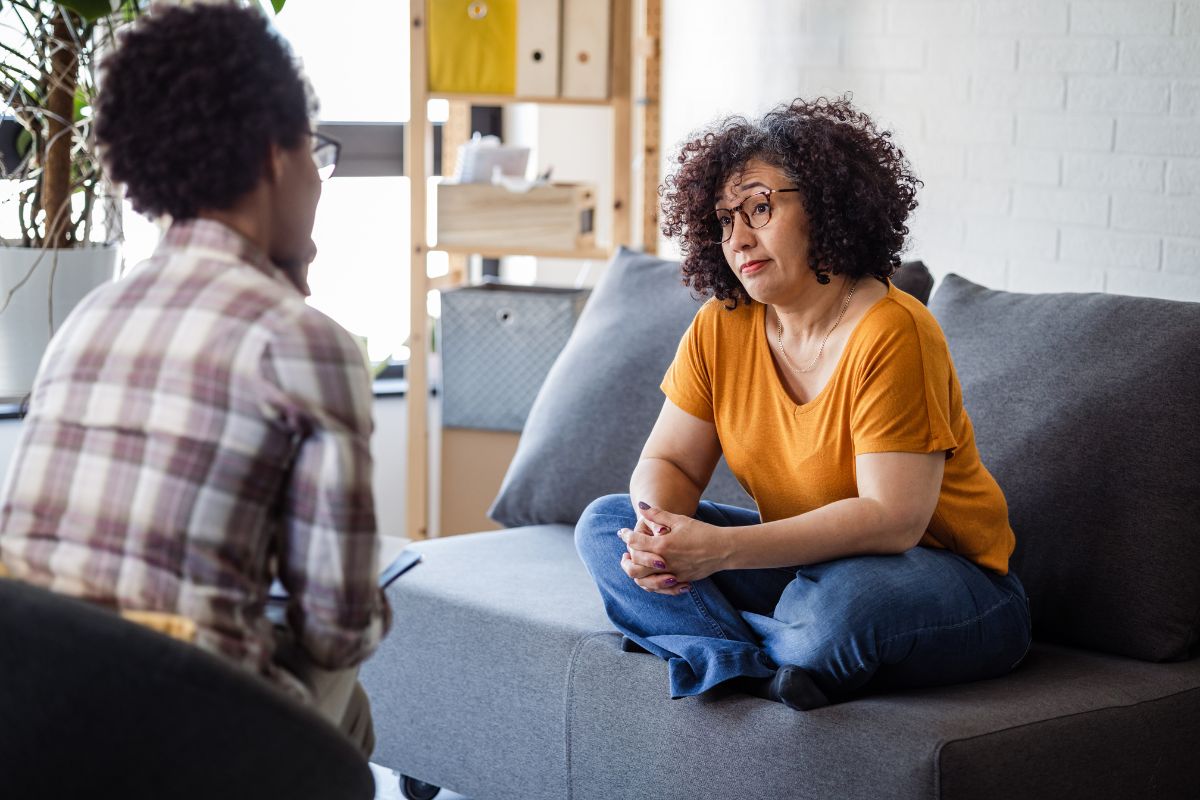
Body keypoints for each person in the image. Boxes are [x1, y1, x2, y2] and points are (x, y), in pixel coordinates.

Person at [0, 5, 387, 752]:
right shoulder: (302, 343)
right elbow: (340, 627)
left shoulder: (88, 316)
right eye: (317, 153)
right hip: (182, 730)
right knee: (349, 690)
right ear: (277, 156)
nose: (319, 178)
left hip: (32, 708)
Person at [574, 97, 1031, 710]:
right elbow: (674, 464)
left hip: (947, 582)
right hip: (807, 564)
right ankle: (757, 664)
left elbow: (893, 519)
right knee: (606, 526)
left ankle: (711, 644)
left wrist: (719, 551)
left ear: (824, 201)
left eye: (759, 208)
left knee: (839, 608)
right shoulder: (722, 325)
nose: (737, 238)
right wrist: (657, 537)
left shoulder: (894, 331)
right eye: (723, 219)